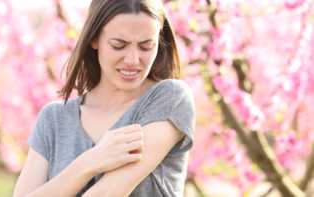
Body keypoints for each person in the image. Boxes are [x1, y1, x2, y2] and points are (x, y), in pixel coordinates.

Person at [13, 0, 195, 196]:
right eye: (119, 45)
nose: (133, 60)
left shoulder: (170, 99)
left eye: (146, 46)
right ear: (94, 39)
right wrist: (89, 162)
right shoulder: (54, 119)